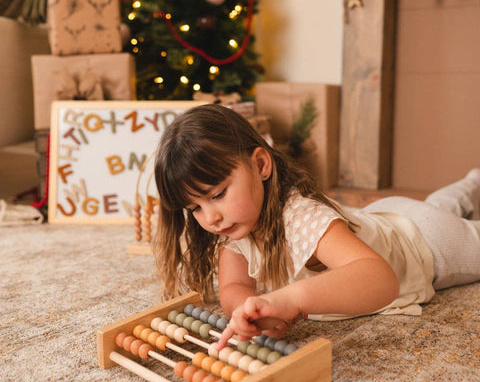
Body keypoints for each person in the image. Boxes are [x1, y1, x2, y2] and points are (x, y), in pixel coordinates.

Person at [153, 104, 480, 350]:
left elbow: (380, 280)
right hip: (380, 216)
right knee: (438, 205)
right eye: (195, 207)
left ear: (261, 165)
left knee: (448, 221)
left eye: (219, 194)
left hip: (426, 241)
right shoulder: (234, 229)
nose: (210, 218)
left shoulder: (300, 217)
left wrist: (291, 299)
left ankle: (470, 185)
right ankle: (471, 182)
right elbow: (233, 288)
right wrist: (250, 313)